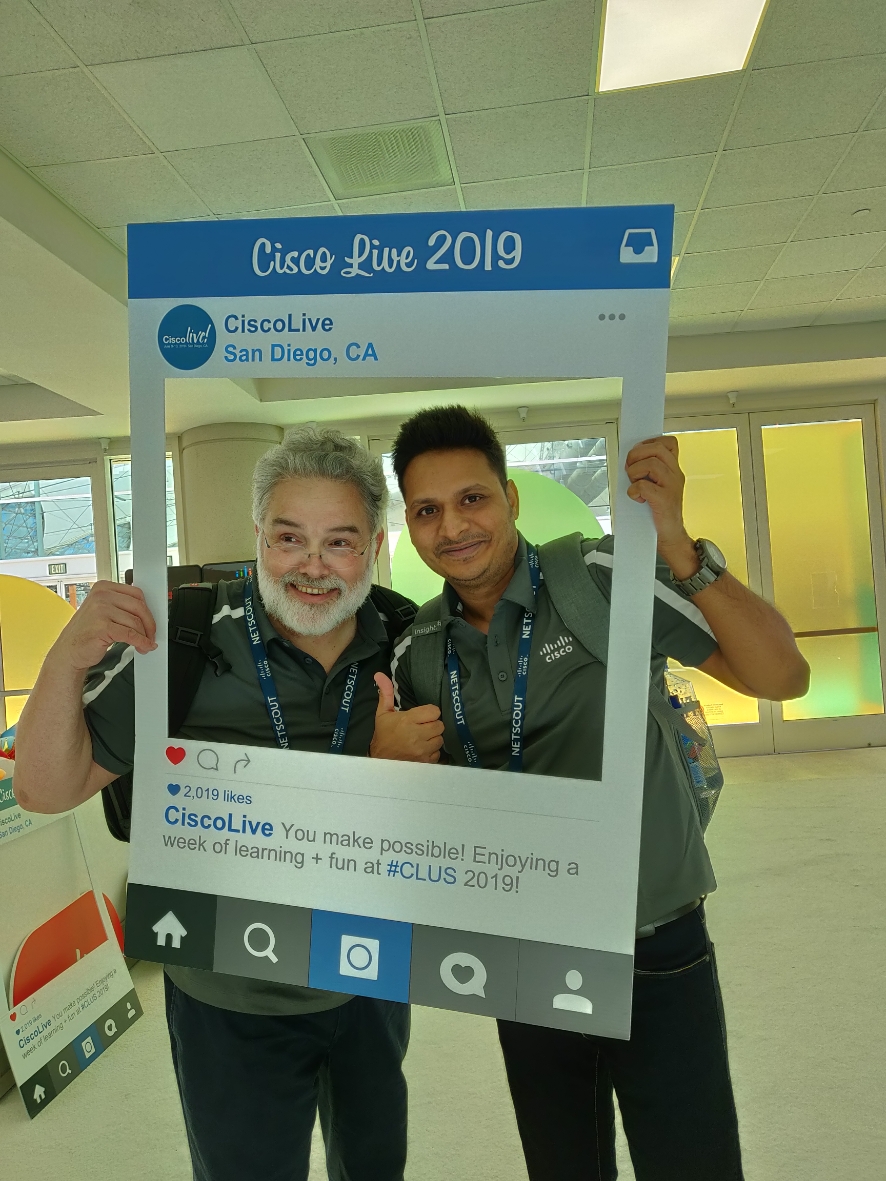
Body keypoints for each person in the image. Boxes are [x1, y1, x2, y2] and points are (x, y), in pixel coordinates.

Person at [381, 405, 810, 1181]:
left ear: (511, 497)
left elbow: (783, 675)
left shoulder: (602, 577)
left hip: (654, 941)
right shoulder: (417, 650)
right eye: (427, 510)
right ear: (409, 525)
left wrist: (681, 549)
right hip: (525, 954)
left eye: (472, 497)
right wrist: (388, 766)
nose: (453, 526)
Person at [14, 426, 444, 1181]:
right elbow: (43, 788)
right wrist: (67, 655)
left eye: (339, 541)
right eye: (288, 537)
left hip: (371, 976)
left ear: (376, 545)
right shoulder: (178, 644)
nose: (312, 566)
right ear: (258, 537)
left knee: (375, 1167)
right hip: (228, 993)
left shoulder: (410, 641)